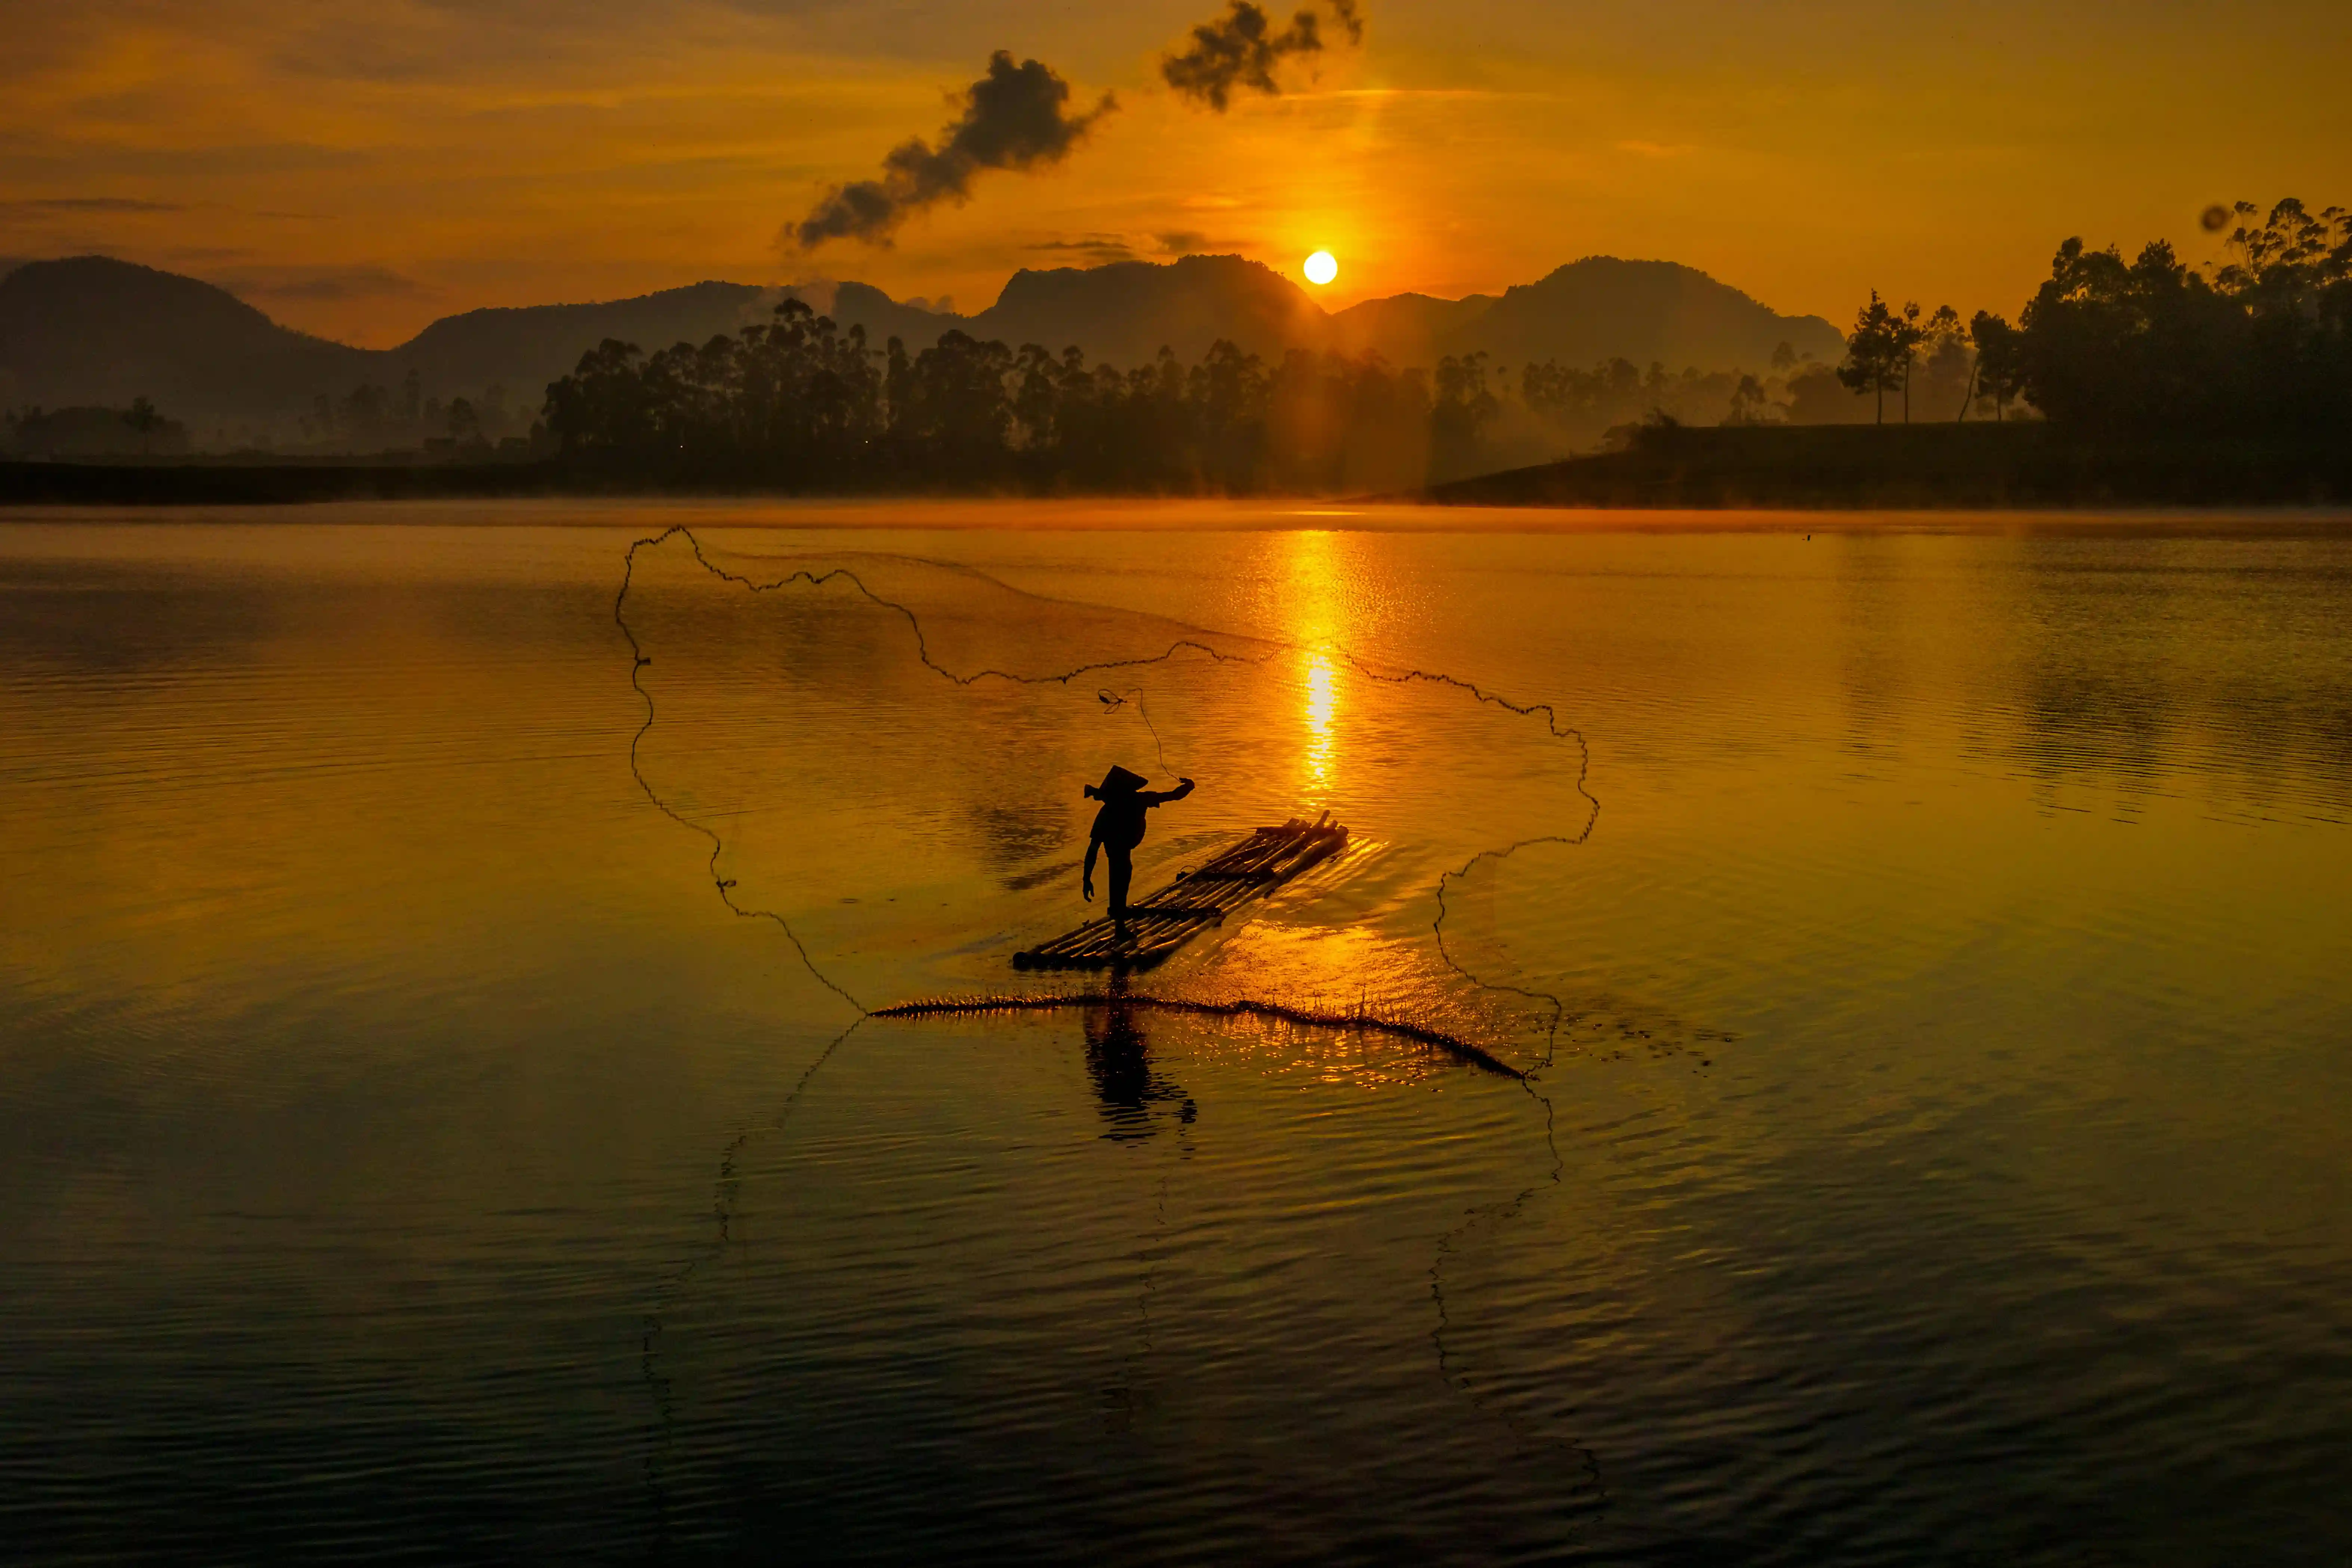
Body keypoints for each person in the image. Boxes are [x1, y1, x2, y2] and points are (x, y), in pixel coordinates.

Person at [1081, 765, 1194, 925]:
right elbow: (1173, 796)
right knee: (1120, 877)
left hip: (1120, 851)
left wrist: (1087, 878)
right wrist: (1189, 786)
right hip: (1118, 851)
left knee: (1120, 878)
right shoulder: (1133, 802)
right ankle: (1120, 925)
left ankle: (1119, 921)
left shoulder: (1121, 806)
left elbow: (1093, 849)